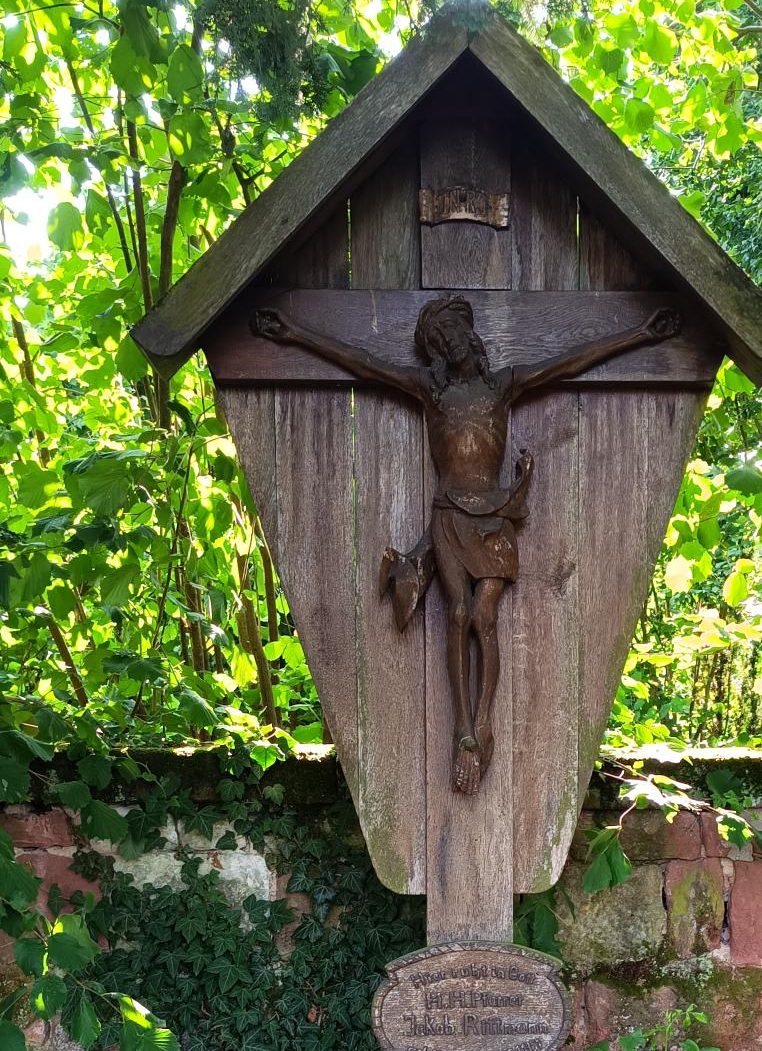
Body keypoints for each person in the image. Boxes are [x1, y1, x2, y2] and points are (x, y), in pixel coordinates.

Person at [252, 291, 681, 793]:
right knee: (457, 613)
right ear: (434, 349)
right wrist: (294, 334)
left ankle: (484, 720)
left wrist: (641, 334)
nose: (448, 341)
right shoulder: (429, 391)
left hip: (494, 516)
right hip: (449, 516)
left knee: (485, 615)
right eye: (438, 337)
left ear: (469, 335)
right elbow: (364, 364)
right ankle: (462, 727)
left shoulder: (503, 385)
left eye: (453, 330)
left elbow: (568, 363)